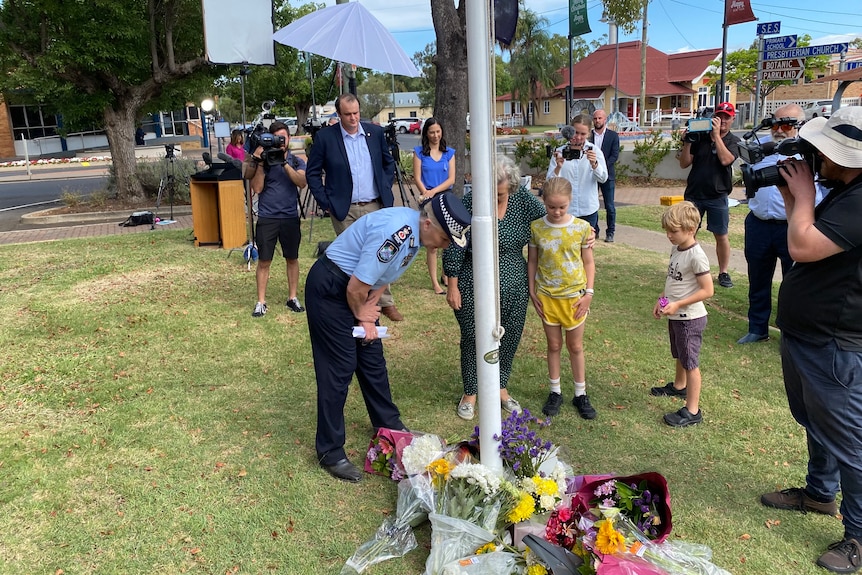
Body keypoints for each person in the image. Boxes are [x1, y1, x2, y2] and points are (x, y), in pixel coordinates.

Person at [759, 106, 862, 574]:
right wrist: (793, 197)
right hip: (808, 334)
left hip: (836, 343)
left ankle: (858, 536)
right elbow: (807, 231)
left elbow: (801, 247)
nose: (815, 154)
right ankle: (820, 494)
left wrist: (803, 191)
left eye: (825, 149)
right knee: (815, 424)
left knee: (850, 442)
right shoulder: (845, 190)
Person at [306, 192, 472, 482]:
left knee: (372, 361)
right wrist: (363, 316)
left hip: (356, 289)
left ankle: (388, 425)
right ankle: (330, 451)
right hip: (332, 288)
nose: (446, 246)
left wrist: (368, 312)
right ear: (429, 225)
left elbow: (383, 277)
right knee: (340, 367)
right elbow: (355, 287)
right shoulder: (397, 233)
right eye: (446, 240)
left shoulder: (415, 236)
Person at [444, 155, 546, 421]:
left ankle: (500, 386)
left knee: (509, 335)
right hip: (472, 278)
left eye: (499, 194)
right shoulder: (470, 202)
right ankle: (470, 391)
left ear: (511, 188)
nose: (493, 198)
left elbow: (552, 220)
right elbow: (456, 243)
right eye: (490, 192)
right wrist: (452, 284)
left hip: (514, 279)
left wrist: (583, 232)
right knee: (472, 335)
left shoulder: (523, 202)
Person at [306, 93, 403, 322]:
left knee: (381, 252)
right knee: (357, 257)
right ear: (338, 114)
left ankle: (384, 302)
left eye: (356, 113)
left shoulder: (375, 133)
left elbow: (388, 164)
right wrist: (325, 201)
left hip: (374, 205)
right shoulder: (326, 138)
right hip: (343, 208)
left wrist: (385, 187)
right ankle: (360, 304)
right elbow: (312, 173)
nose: (353, 118)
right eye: (348, 114)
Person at [737, 103, 826, 344]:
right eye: (776, 123)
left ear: (799, 126)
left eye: (786, 124)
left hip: (793, 226)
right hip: (758, 224)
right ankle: (757, 328)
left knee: (794, 282)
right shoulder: (760, 148)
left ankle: (792, 331)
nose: (779, 129)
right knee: (758, 278)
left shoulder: (811, 154)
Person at [528, 177, 596, 419]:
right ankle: (555, 391)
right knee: (554, 345)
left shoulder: (582, 228)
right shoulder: (536, 228)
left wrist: (589, 293)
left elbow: (588, 262)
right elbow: (533, 261)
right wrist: (532, 290)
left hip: (575, 298)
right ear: (544, 202)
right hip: (547, 296)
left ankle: (580, 393)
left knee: (575, 346)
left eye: (562, 207)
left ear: (570, 202)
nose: (557, 212)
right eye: (551, 207)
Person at [650, 201, 714, 427]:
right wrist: (663, 300)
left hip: (690, 318)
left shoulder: (696, 256)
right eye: (666, 230)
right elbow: (673, 281)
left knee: (690, 363)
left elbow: (708, 290)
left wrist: (679, 305)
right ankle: (679, 386)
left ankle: (692, 409)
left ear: (691, 229)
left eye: (673, 231)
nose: (669, 235)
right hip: (676, 315)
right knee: (679, 354)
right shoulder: (676, 248)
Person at [242, 121, 307, 317]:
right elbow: (257, 188)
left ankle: (292, 297)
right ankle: (261, 301)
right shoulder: (264, 162)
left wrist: (283, 162)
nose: (280, 142)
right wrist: (262, 162)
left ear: (288, 138)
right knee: (264, 261)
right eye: (276, 138)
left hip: (289, 217)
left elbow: (302, 182)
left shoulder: (296, 161)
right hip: (268, 217)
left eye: (283, 138)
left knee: (292, 258)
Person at [678, 101, 740, 288]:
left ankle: (723, 272)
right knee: (688, 234)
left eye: (726, 117)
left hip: (717, 196)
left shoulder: (733, 141)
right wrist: (687, 142)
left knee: (721, 235)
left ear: (732, 119)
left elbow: (726, 160)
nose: (722, 121)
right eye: (719, 116)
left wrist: (716, 137)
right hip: (694, 194)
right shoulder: (701, 137)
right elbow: (684, 163)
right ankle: (686, 268)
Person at [413, 117, 456, 295]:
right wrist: (426, 193)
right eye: (432, 132)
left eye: (438, 131)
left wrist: (435, 191)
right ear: (426, 133)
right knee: (432, 244)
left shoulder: (449, 153)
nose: (435, 135)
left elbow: (451, 179)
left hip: (445, 198)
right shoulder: (419, 152)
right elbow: (417, 177)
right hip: (427, 200)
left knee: (447, 238)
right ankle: (434, 282)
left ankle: (446, 275)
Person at [547, 116, 608, 234]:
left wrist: (594, 164)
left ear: (589, 134)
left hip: (588, 209)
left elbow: (603, 178)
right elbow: (550, 183)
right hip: (565, 210)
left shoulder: (595, 151)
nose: (578, 137)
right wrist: (558, 167)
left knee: (586, 247)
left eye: (583, 134)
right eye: (576, 132)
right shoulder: (560, 152)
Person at [591, 109, 620, 242]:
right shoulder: (588, 136)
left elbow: (614, 155)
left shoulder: (613, 136)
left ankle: (610, 232)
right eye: (595, 118)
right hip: (591, 176)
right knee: (592, 203)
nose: (597, 121)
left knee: (609, 205)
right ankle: (594, 230)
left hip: (607, 176)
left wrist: (601, 166)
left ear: (605, 119)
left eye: (600, 118)